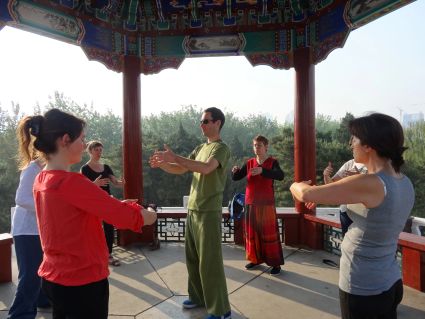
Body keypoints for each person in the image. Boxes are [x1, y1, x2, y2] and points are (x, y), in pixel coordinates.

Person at [21, 108, 157, 319]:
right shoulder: (72, 182)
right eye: (82, 139)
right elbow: (127, 218)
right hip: (82, 282)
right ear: (66, 140)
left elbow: (72, 211)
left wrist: (114, 203)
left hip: (53, 277)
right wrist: (148, 213)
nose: (84, 146)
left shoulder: (42, 179)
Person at [290, 113, 415, 319]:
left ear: (368, 145)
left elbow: (305, 194)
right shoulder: (403, 182)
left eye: (354, 139)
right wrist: (326, 195)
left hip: (364, 286)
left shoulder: (370, 182)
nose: (351, 144)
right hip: (390, 280)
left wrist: (296, 184)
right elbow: (374, 211)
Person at [149, 107, 231, 319]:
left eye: (205, 121)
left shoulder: (220, 148)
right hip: (193, 209)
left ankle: (221, 309)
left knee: (210, 261)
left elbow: (205, 168)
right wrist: (165, 164)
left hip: (209, 210)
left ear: (217, 123)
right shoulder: (200, 147)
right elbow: (182, 168)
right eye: (201, 121)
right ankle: (198, 297)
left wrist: (174, 156)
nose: (201, 125)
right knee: (193, 258)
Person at [8, 118, 50, 319]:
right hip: (26, 230)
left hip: (38, 230)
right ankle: (20, 314)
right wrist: (49, 207)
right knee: (30, 275)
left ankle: (42, 299)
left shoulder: (46, 167)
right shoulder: (32, 168)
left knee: (41, 270)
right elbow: (22, 199)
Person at [231, 135, 284, 275]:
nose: (257, 148)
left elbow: (280, 175)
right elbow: (237, 178)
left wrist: (263, 171)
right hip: (250, 203)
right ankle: (255, 260)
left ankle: (275, 264)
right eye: (255, 145)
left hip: (266, 205)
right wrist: (234, 172)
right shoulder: (249, 163)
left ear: (266, 147)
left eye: (259, 145)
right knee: (252, 234)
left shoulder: (273, 162)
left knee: (269, 234)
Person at [81, 140, 124, 266]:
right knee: (91, 228)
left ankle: (108, 254)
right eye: (96, 150)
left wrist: (120, 183)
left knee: (109, 227)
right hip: (92, 203)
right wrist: (95, 184)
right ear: (90, 151)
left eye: (100, 150)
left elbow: (114, 181)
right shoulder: (85, 169)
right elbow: (83, 188)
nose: (99, 152)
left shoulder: (106, 167)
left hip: (106, 201)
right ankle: (91, 254)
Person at [323, 160, 367, 235]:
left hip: (366, 214)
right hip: (346, 212)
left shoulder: (377, 165)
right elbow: (332, 185)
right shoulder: (350, 163)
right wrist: (326, 175)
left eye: (354, 147)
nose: (351, 148)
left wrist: (359, 179)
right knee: (347, 242)